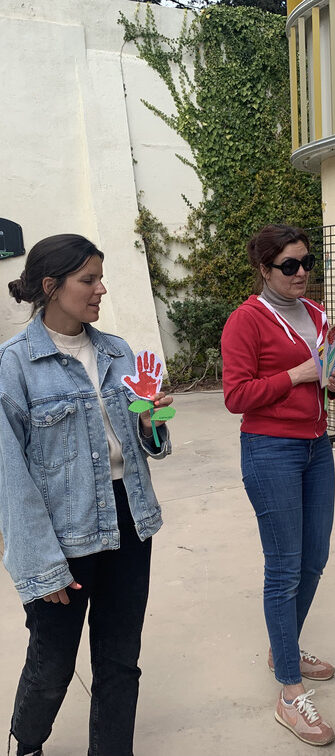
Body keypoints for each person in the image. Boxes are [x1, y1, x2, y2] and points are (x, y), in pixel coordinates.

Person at [0, 234, 173, 756]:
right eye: (88, 279)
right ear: (51, 286)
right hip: (62, 532)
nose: (101, 289)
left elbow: (149, 445)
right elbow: (11, 477)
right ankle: (27, 743)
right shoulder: (14, 366)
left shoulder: (118, 352)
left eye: (101, 277)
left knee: (120, 659)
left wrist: (151, 423)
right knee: (52, 662)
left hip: (128, 519)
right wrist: (41, 563)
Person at [221, 224, 335, 746]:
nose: (301, 273)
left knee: (314, 558)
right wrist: (297, 375)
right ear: (264, 269)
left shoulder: (317, 315)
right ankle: (289, 692)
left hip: (318, 447)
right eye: (289, 266)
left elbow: (330, 387)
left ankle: (285, 648)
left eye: (306, 263)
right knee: (284, 568)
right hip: (271, 449)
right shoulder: (246, 320)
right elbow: (236, 396)